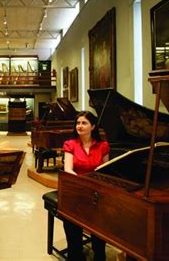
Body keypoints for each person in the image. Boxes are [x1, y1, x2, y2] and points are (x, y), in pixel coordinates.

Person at [61, 111, 110, 261]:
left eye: (84, 123)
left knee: (102, 215)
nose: (79, 126)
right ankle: (75, 253)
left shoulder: (103, 146)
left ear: (93, 126)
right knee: (70, 217)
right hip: (76, 188)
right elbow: (68, 169)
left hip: (96, 189)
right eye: (78, 123)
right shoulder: (70, 144)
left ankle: (99, 252)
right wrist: (82, 185)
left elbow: (106, 170)